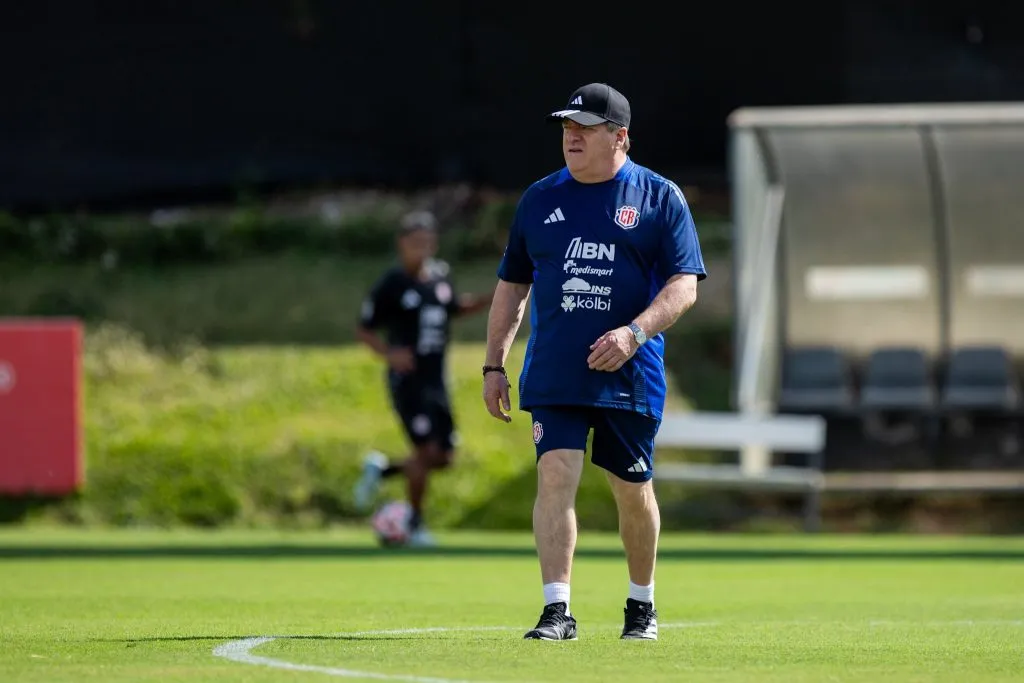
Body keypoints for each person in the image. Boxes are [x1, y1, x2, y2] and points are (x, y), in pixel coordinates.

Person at [482, 83, 706, 640]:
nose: (572, 137)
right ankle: (558, 610)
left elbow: (684, 285)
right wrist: (493, 365)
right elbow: (512, 287)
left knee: (632, 490)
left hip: (630, 373)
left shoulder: (659, 197)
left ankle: (641, 603)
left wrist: (635, 333)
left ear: (620, 137)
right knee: (555, 474)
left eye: (585, 127)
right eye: (566, 128)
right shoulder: (539, 199)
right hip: (556, 370)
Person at [354, 210, 492, 547]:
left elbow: (454, 308)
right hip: (409, 381)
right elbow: (364, 328)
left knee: (443, 457)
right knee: (425, 449)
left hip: (437, 379)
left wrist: (498, 296)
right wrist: (390, 353)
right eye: (415, 242)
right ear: (402, 244)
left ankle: (383, 471)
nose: (422, 249)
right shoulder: (393, 283)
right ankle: (413, 526)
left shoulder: (441, 276)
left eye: (427, 242)